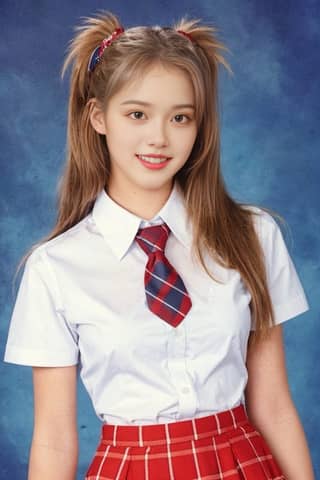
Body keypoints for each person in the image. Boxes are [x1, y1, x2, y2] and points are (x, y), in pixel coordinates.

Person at [4, 10, 315, 480]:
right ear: (98, 117)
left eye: (180, 117)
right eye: (137, 114)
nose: (159, 138)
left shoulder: (253, 236)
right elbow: (53, 436)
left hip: (242, 462)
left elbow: (272, 406)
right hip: (129, 466)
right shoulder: (54, 268)